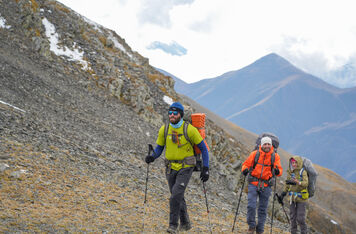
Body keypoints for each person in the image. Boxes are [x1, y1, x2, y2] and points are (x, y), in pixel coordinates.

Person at [145, 102, 209, 233]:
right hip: (170, 167)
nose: (172, 115)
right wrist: (152, 157)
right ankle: (185, 224)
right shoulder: (165, 129)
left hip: (186, 166)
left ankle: (173, 226)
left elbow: (203, 149)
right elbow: (159, 148)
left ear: (180, 114)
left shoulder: (189, 129)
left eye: (175, 113)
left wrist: (206, 168)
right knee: (177, 195)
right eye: (170, 113)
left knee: (175, 196)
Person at [241, 136, 283, 234]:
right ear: (261, 145)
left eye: (269, 144)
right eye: (265, 144)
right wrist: (244, 170)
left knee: (263, 209)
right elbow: (245, 164)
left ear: (271, 145)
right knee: (251, 206)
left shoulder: (275, 156)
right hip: (253, 183)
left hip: (266, 185)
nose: (267, 146)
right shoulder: (254, 154)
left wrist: (277, 171)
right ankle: (251, 226)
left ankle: (260, 230)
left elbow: (280, 171)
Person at [278, 156, 309, 234]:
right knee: (292, 218)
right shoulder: (290, 172)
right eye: (292, 163)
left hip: (301, 198)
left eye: (295, 162)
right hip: (292, 198)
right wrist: (283, 193)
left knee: (300, 218)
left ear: (299, 163)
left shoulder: (303, 172)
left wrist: (298, 182)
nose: (294, 164)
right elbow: (287, 184)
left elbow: (306, 183)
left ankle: (304, 232)